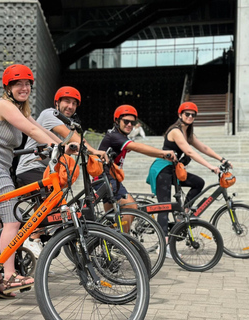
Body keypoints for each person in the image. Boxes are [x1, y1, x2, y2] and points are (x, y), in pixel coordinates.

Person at [0, 64, 70, 298]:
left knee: (1, 224)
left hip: (0, 169)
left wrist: (66, 146)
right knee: (13, 222)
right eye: (18, 84)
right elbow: (32, 132)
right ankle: (9, 275)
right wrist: (56, 147)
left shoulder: (20, 108)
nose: (24, 88)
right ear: (8, 87)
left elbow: (37, 127)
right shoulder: (3, 105)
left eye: (27, 84)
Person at [16, 86, 105, 257]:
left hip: (49, 172)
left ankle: (37, 238)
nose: (70, 106)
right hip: (32, 168)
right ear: (57, 103)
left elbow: (67, 146)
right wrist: (94, 151)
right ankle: (33, 238)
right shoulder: (50, 115)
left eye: (74, 104)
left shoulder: (64, 123)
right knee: (56, 203)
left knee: (57, 209)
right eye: (66, 102)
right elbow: (74, 138)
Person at [146, 101, 232, 258]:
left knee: (198, 183)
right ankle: (163, 247)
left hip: (174, 171)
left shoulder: (188, 132)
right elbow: (189, 152)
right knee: (164, 207)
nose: (190, 116)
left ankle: (183, 213)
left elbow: (203, 148)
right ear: (180, 115)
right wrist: (211, 167)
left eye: (193, 115)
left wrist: (222, 159)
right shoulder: (176, 131)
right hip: (161, 170)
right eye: (187, 114)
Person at [97, 105, 176, 232]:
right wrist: (163, 153)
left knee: (111, 221)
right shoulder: (114, 136)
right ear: (116, 121)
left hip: (110, 179)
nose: (129, 124)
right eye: (126, 121)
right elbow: (137, 147)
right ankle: (123, 244)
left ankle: (109, 243)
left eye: (132, 122)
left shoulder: (120, 136)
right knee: (131, 207)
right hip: (105, 179)